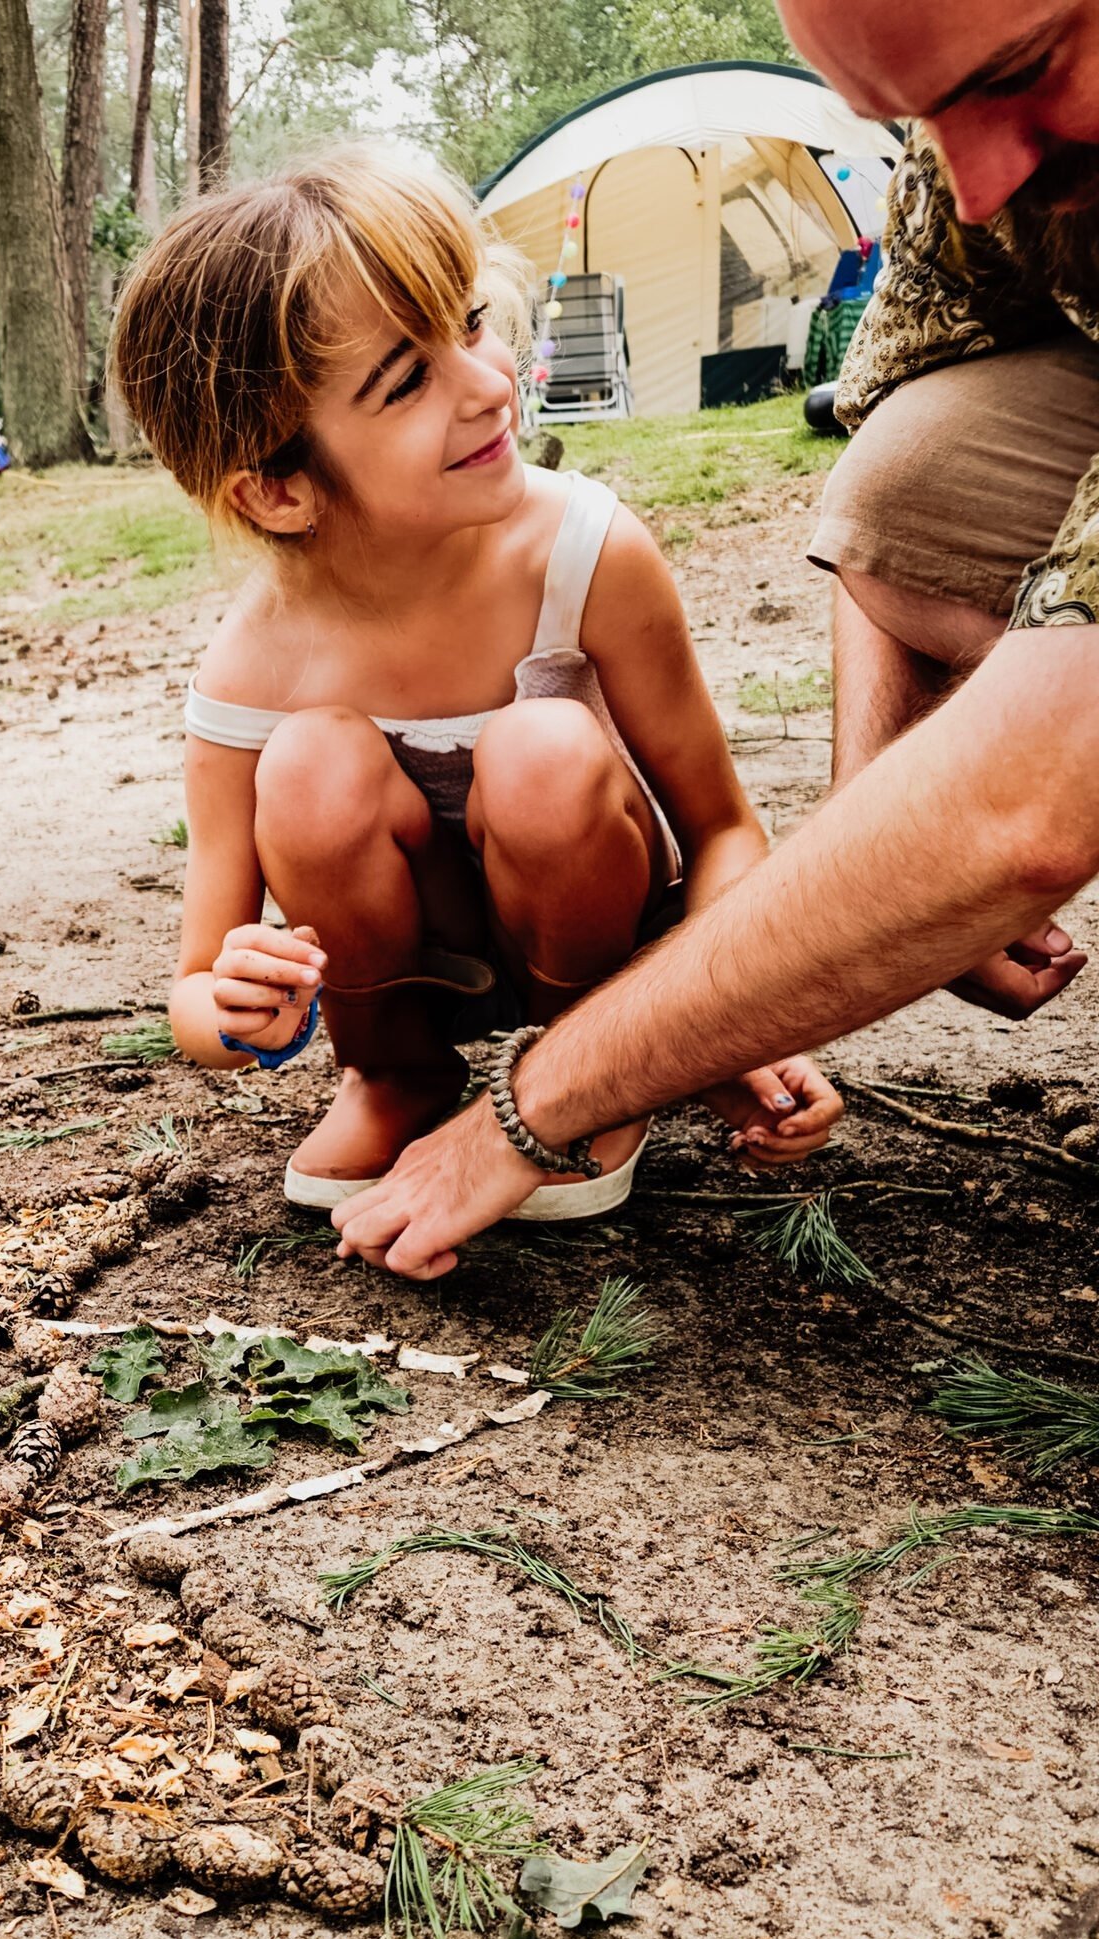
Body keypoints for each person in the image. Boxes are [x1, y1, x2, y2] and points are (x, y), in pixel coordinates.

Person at [331, 0, 1099, 1277]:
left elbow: (1027, 813)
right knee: (911, 473)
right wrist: (885, 812)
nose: (975, 184)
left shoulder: (588, 545)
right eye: (915, 118)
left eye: (1021, 76)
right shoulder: (976, 143)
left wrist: (536, 1107)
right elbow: (902, 411)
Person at [107, 152, 841, 1222]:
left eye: (468, 320)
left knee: (542, 750)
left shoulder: (588, 554)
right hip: (403, 965)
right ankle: (400, 1072)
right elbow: (194, 984)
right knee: (309, 765)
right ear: (277, 490)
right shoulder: (251, 668)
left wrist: (726, 1026)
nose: (492, 382)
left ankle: (591, 1066)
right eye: (407, 382)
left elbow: (724, 831)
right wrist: (233, 1007)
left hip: (601, 954)